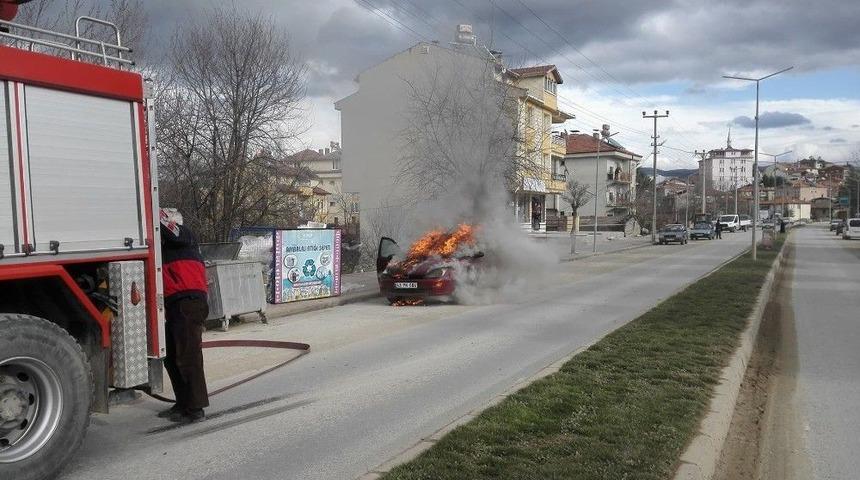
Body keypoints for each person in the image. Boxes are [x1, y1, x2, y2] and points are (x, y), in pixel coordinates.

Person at [158, 208, 209, 423]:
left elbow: (170, 232)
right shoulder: (168, 245)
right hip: (174, 303)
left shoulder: (184, 234)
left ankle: (196, 408)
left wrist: (155, 214)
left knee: (188, 356)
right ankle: (182, 403)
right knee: (171, 357)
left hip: (189, 302)